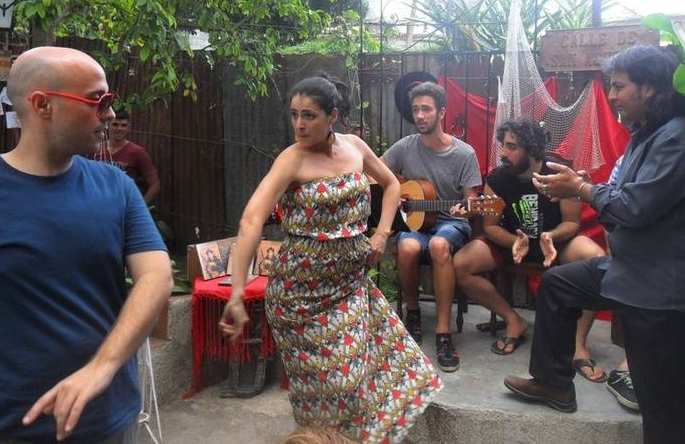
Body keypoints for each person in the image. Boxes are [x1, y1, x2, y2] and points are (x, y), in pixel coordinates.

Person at [504, 45, 685, 444]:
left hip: (663, 288)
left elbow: (635, 207)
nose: (613, 95)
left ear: (650, 89)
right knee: (559, 285)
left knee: (661, 396)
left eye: (619, 86)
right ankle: (554, 383)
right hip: (634, 269)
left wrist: (582, 188)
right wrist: (585, 188)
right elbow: (620, 198)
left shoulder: (679, 139)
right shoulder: (646, 136)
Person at [0, 46, 172, 442]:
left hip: (107, 423)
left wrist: (101, 368)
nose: (109, 113)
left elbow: (157, 278)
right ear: (42, 104)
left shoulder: (117, 187)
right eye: (97, 100)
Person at [219, 75, 440, 443]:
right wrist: (237, 293)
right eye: (294, 115)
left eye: (310, 116)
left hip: (349, 285)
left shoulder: (355, 147)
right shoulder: (291, 161)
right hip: (299, 296)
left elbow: (392, 185)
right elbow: (251, 219)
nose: (300, 125)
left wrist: (381, 233)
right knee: (325, 389)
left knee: (359, 376)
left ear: (332, 115)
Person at [453, 118, 607, 381]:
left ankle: (578, 345)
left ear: (531, 150)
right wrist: (514, 240)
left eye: (511, 147)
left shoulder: (559, 172)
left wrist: (550, 235)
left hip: (557, 241)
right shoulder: (498, 179)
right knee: (461, 264)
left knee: (598, 262)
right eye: (503, 145)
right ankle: (514, 320)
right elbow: (490, 227)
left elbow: (572, 222)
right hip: (514, 242)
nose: (503, 153)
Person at [605, 154, 685, 411]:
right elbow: (611, 215)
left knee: (657, 283)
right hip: (641, 251)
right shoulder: (626, 161)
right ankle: (638, 365)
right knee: (626, 273)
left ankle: (642, 367)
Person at [381, 81, 482, 373]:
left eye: (427, 109)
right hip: (417, 224)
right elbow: (376, 171)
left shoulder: (464, 153)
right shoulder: (405, 147)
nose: (420, 115)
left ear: (441, 113)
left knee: (439, 246)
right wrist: (394, 191)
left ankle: (442, 332)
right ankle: (412, 313)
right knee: (408, 246)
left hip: (451, 222)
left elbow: (472, 201)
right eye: (416, 110)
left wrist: (467, 208)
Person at [92, 109, 161, 204]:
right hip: (97, 203)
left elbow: (154, 184)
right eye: (115, 124)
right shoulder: (96, 149)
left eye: (123, 125)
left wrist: (139, 208)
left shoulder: (137, 152)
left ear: (128, 128)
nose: (119, 128)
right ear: (108, 126)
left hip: (123, 206)